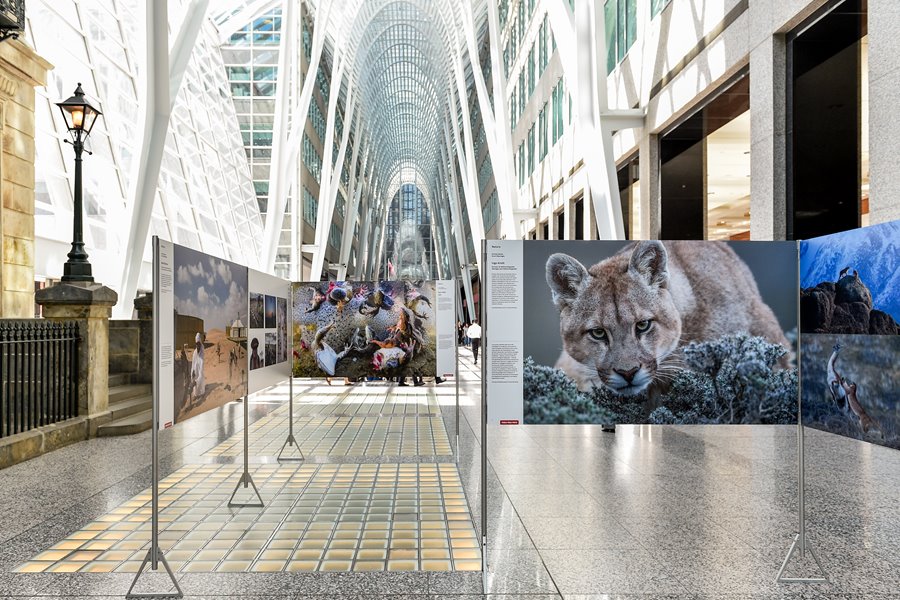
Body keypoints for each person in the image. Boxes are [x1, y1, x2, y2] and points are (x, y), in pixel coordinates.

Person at [191, 332, 206, 399]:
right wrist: (192, 371)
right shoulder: (194, 352)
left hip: (200, 369)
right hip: (195, 369)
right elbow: (193, 362)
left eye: (198, 344)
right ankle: (196, 394)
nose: (197, 345)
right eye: (196, 344)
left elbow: (201, 363)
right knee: (194, 379)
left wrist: (197, 380)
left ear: (200, 343)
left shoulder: (202, 352)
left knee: (200, 378)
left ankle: (202, 393)